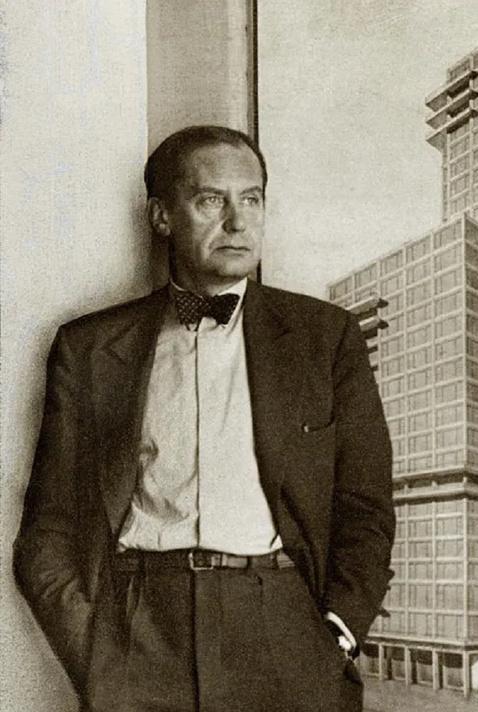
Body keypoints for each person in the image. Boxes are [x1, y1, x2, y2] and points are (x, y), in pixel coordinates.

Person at [14, 126, 395, 712]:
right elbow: (49, 526)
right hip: (138, 632)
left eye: (252, 199)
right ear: (162, 216)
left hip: (283, 630)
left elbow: (365, 507)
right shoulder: (89, 347)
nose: (238, 222)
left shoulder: (325, 338)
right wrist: (93, 650)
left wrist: (335, 636)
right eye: (212, 200)